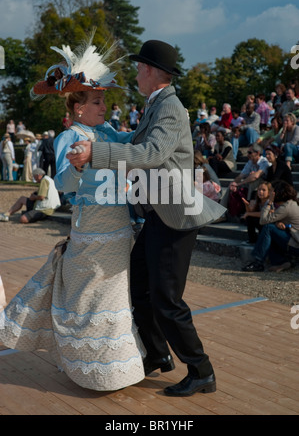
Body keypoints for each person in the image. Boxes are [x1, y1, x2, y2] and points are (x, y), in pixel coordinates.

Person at [67, 39, 226, 397]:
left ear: (152, 71)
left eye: (140, 67)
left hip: (175, 217)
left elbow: (151, 153)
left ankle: (201, 370)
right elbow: (140, 146)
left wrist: (96, 153)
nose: (136, 73)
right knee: (139, 286)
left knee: (167, 300)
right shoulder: (156, 105)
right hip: (160, 214)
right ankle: (157, 355)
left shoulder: (170, 108)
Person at [0, 36, 145, 391]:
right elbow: (64, 183)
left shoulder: (107, 132)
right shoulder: (72, 136)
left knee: (114, 300)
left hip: (118, 230)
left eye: (104, 99)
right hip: (92, 233)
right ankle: (91, 369)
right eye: (97, 100)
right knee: (87, 302)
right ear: (78, 108)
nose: (104, 105)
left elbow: (136, 141)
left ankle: (115, 370)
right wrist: (81, 166)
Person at [242, 180, 299, 272]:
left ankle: (258, 262)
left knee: (268, 228)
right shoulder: (290, 203)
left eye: (272, 191)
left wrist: (269, 202)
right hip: (294, 239)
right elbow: (292, 224)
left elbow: (263, 220)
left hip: (296, 244)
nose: (270, 193)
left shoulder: (285, 207)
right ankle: (280, 261)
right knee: (270, 232)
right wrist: (280, 224)